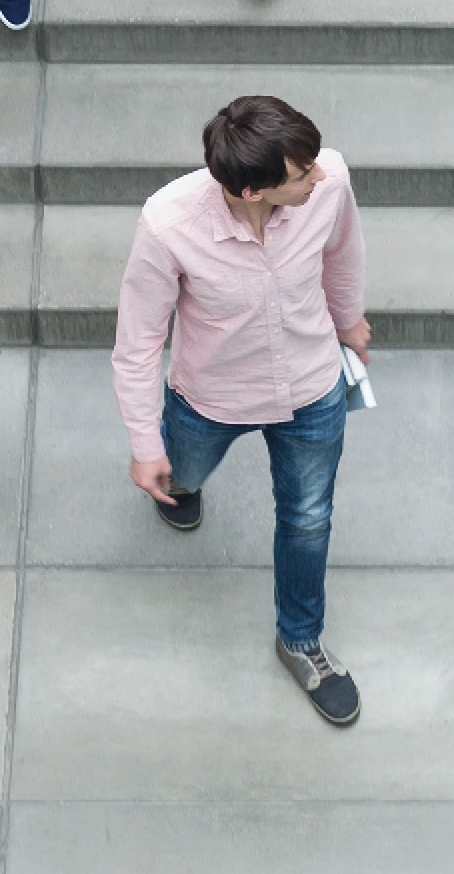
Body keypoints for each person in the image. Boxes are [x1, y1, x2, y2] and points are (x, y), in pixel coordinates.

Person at [114, 93, 373, 725]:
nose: (318, 176)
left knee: (308, 518)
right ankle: (178, 483)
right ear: (253, 192)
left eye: (311, 164)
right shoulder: (168, 225)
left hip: (312, 390)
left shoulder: (328, 178)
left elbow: (341, 255)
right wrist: (146, 443)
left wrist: (349, 320)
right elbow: (140, 340)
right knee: (182, 477)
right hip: (211, 399)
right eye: (300, 175)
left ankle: (300, 639)